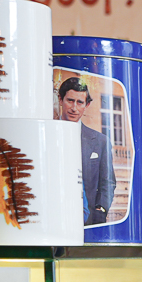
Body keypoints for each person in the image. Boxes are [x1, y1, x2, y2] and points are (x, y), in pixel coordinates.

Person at [57, 76, 116, 226]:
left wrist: (101, 209)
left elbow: (107, 181)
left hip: (87, 221)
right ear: (60, 99)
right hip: (55, 216)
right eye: (70, 100)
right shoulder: (48, 134)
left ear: (87, 105)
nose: (74, 108)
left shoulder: (100, 141)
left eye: (80, 102)